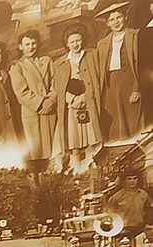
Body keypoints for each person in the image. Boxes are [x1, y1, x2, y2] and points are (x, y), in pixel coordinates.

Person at [54, 24, 104, 174]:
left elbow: (97, 80)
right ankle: (76, 167)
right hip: (71, 106)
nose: (75, 44)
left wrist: (84, 97)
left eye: (78, 40)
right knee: (74, 137)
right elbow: (58, 86)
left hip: (88, 102)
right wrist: (70, 99)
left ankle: (91, 165)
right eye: (72, 41)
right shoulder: (60, 63)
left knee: (90, 135)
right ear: (67, 44)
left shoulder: (92, 56)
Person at [10, 30, 58, 174]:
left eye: (33, 43)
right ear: (20, 47)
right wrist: (41, 102)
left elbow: (56, 84)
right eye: (27, 44)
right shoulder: (17, 66)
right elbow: (21, 92)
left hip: (49, 111)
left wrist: (51, 100)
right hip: (32, 112)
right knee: (36, 150)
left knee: (52, 149)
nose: (31, 47)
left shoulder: (47, 61)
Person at [97, 2, 143, 142]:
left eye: (118, 18)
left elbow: (143, 65)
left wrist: (137, 88)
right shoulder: (102, 43)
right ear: (107, 24)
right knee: (117, 125)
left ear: (125, 17)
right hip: (111, 88)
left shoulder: (136, 36)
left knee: (134, 122)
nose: (116, 22)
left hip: (130, 84)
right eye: (112, 20)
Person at [106, 171, 151, 239]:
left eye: (135, 178)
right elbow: (110, 215)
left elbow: (149, 210)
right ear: (124, 181)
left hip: (140, 230)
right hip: (123, 231)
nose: (132, 181)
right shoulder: (116, 198)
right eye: (129, 179)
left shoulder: (144, 195)